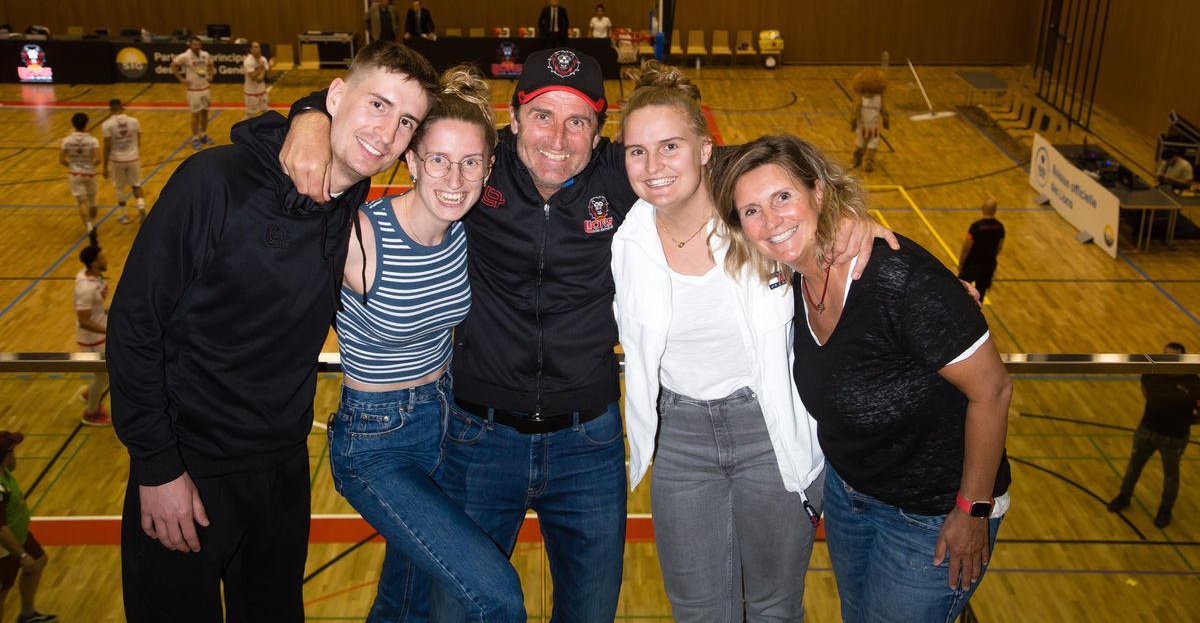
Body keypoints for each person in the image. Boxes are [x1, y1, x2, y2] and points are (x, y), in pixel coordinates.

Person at [280, 48, 893, 621]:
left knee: (591, 611)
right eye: (542, 115)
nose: (557, 138)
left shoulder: (629, 174)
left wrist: (842, 220)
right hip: (477, 438)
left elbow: (751, 174)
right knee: (463, 605)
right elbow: (381, 121)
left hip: (588, 446)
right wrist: (309, 114)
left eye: (578, 122)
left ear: (601, 134)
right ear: (512, 119)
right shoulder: (471, 173)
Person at [106, 39, 439, 622]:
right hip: (188, 469)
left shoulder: (348, 196)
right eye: (377, 105)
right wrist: (157, 467)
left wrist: (309, 112)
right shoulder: (214, 183)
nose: (387, 134)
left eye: (406, 120)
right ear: (338, 97)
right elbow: (135, 326)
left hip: (282, 471)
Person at [714, 134, 1013, 623]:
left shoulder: (896, 277)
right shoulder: (789, 281)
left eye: (782, 197)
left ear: (819, 193)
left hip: (933, 513)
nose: (770, 221)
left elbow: (994, 390)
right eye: (751, 211)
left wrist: (973, 510)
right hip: (850, 496)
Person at [611, 62, 833, 620]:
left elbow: (832, 235)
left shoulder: (754, 220)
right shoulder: (624, 240)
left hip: (768, 431)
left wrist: (872, 237)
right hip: (680, 442)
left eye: (670, 146)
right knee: (698, 611)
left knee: (774, 608)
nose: (653, 166)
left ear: (706, 148)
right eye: (637, 151)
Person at [328, 65, 524, 622]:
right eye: (437, 159)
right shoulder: (359, 237)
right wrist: (306, 124)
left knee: (403, 603)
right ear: (410, 160)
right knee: (496, 595)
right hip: (376, 444)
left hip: (446, 427)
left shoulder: (465, 227)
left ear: (488, 168)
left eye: (469, 163)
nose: (454, 179)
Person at [1107, 342, 1200, 528]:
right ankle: (1124, 497)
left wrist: (1185, 421)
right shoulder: (1151, 373)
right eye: (1165, 356)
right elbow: (1146, 391)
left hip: (1174, 438)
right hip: (1146, 431)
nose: (1167, 361)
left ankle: (1165, 511)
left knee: (1171, 476)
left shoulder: (1194, 383)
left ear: (1182, 360)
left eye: (1172, 358)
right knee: (1133, 467)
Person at [0, 431, 58, 623]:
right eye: (13, 451)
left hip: (19, 537)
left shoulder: (4, 473)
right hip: (5, 548)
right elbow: (0, 529)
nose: (15, 455)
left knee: (38, 561)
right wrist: (21, 555)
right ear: (6, 455)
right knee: (3, 589)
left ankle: (27, 614)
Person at [75, 245, 111, 427]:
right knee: (104, 377)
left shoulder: (96, 276)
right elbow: (84, 321)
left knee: (102, 377)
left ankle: (90, 393)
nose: (106, 259)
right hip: (91, 339)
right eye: (102, 257)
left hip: (100, 332)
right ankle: (91, 413)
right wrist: (109, 331)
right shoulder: (85, 289)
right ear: (95, 263)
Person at [101, 99, 147, 223]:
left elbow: (107, 146)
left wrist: (104, 166)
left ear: (110, 109)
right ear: (121, 107)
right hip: (133, 157)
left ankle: (124, 215)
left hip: (117, 160)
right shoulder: (134, 121)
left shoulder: (107, 124)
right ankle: (141, 207)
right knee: (136, 184)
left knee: (119, 187)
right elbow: (138, 139)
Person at [59, 112, 99, 242]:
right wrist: (90, 166)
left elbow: (62, 160)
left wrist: (72, 166)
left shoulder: (66, 140)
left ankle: (89, 226)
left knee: (82, 202)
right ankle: (92, 222)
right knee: (92, 201)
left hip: (74, 173)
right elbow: (98, 159)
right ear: (86, 124)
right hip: (90, 173)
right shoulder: (92, 140)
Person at [170, 37, 214, 149]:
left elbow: (211, 65)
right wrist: (181, 79)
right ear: (190, 45)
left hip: (205, 88)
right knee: (195, 114)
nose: (197, 47)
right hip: (193, 90)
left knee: (205, 112)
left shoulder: (205, 54)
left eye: (198, 45)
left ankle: (203, 134)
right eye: (194, 45)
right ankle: (195, 138)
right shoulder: (185, 56)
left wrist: (211, 76)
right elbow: (173, 66)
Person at [959, 198, 1005, 302]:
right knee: (980, 295)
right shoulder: (1000, 227)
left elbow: (967, 246)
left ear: (983, 208)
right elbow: (1000, 247)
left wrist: (961, 262)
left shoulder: (976, 227)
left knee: (961, 290)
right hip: (988, 266)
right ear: (995, 210)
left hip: (971, 265)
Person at [848, 67, 889, 172]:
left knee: (872, 145)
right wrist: (853, 122)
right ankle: (857, 158)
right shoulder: (861, 99)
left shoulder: (879, 98)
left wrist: (886, 120)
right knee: (860, 143)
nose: (868, 93)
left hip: (874, 128)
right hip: (863, 126)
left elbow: (884, 111)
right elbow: (855, 111)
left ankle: (869, 162)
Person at [241, 41, 274, 118]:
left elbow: (270, 77)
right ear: (250, 49)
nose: (258, 49)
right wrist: (261, 67)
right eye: (255, 47)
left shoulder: (263, 59)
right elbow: (252, 77)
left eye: (259, 47)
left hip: (262, 92)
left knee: (266, 113)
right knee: (251, 116)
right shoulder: (248, 61)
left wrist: (270, 66)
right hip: (251, 93)